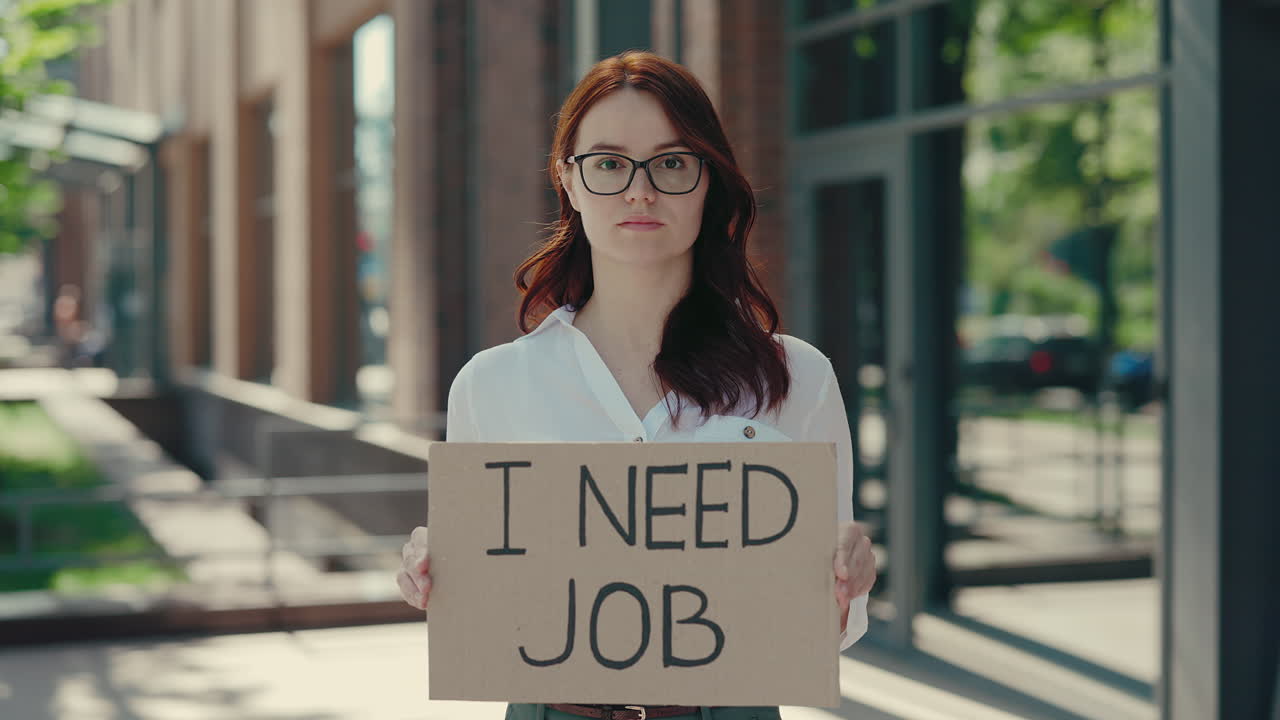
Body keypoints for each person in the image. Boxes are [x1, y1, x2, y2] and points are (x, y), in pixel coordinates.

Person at [397, 51, 877, 720]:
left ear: (710, 182)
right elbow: (492, 615)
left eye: (672, 163)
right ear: (567, 179)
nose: (640, 190)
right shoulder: (493, 385)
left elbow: (826, 633)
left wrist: (849, 580)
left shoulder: (795, 378)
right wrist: (438, 574)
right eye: (609, 162)